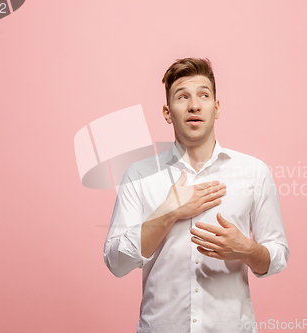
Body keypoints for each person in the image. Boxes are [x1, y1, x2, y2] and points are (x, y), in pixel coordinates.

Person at [103, 58, 289, 333]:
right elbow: (116, 263)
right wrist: (169, 213)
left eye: (204, 95)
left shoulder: (253, 171)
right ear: (167, 112)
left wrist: (247, 250)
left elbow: (278, 256)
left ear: (216, 108)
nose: (194, 105)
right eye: (182, 96)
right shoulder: (138, 175)